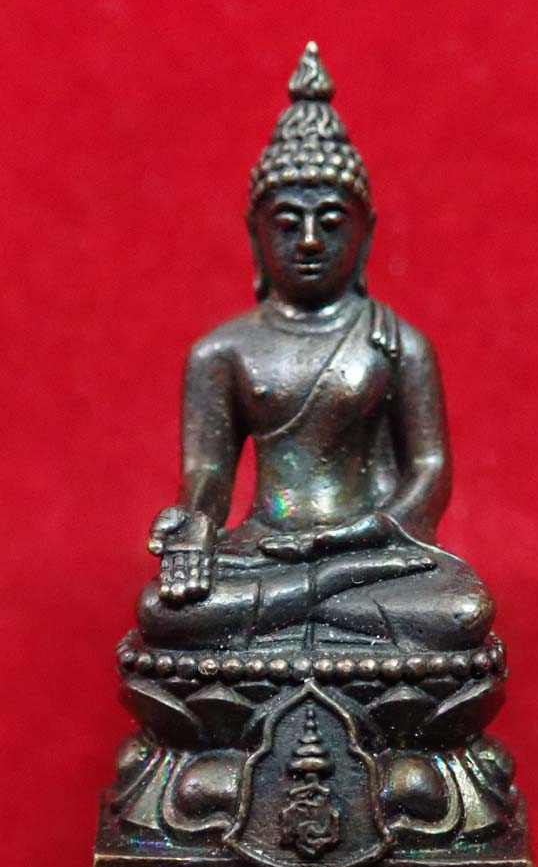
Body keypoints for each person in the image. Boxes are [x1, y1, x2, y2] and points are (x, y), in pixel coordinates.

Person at [138, 43, 494, 653]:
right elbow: (208, 471)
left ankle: (310, 596)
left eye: (331, 222)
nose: (308, 240)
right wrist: (193, 522)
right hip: (262, 549)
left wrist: (359, 536)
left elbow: (430, 469)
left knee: (461, 609)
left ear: (366, 234)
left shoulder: (397, 342)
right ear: (256, 235)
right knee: (163, 612)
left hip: (371, 554)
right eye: (286, 223)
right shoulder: (222, 351)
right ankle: (318, 596)